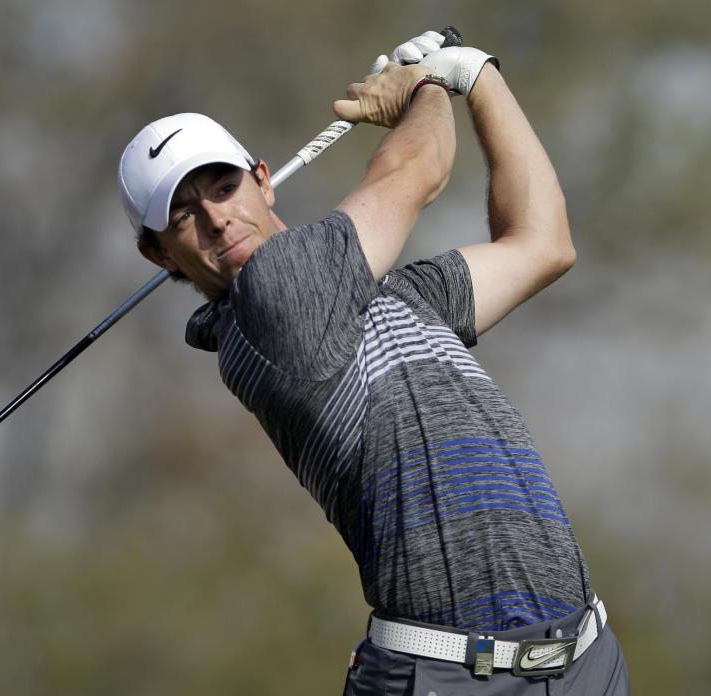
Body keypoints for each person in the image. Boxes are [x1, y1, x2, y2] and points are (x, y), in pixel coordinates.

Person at [117, 30, 629, 695]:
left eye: (224, 185)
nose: (218, 219)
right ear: (159, 255)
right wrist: (426, 86)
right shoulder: (274, 301)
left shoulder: (402, 298)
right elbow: (416, 171)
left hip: (584, 659)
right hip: (448, 676)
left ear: (263, 180)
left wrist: (477, 76)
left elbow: (543, 243)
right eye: (183, 214)